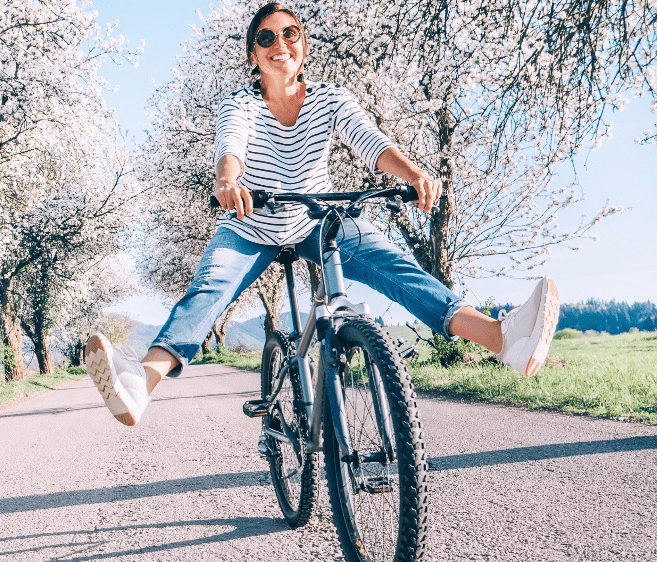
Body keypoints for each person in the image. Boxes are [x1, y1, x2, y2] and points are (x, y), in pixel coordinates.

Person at [85, 2, 559, 427]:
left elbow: (369, 139)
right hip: (252, 224)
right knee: (208, 289)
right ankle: (140, 383)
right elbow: (231, 147)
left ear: (303, 46)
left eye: (290, 33)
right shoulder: (241, 104)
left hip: (317, 219)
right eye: (266, 37)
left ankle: (501, 338)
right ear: (254, 55)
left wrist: (413, 174)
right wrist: (228, 182)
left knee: (396, 267)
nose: (279, 44)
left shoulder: (330, 98)